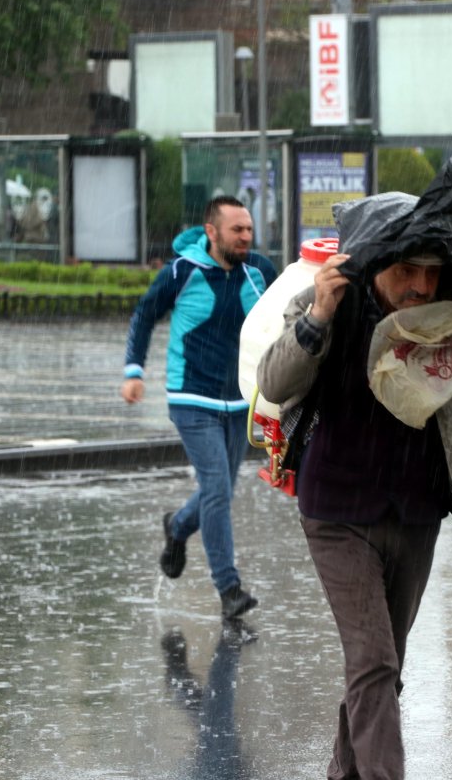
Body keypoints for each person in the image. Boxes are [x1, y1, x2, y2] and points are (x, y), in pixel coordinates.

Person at [257, 249, 452, 779]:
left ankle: (344, 772)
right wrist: (319, 315)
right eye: (406, 271)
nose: (421, 285)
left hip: (416, 510)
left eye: (432, 272)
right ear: (376, 267)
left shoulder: (444, 314)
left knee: (383, 669)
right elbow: (275, 383)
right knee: (374, 662)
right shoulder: (329, 302)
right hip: (337, 513)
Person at [121, 195, 277, 620]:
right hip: (191, 397)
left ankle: (177, 526)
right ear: (212, 232)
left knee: (220, 490)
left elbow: (287, 317)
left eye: (248, 229)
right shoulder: (181, 271)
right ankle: (229, 589)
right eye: (237, 230)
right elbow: (145, 314)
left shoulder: (260, 272)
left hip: (241, 400)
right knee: (217, 490)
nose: (246, 237)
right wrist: (134, 370)